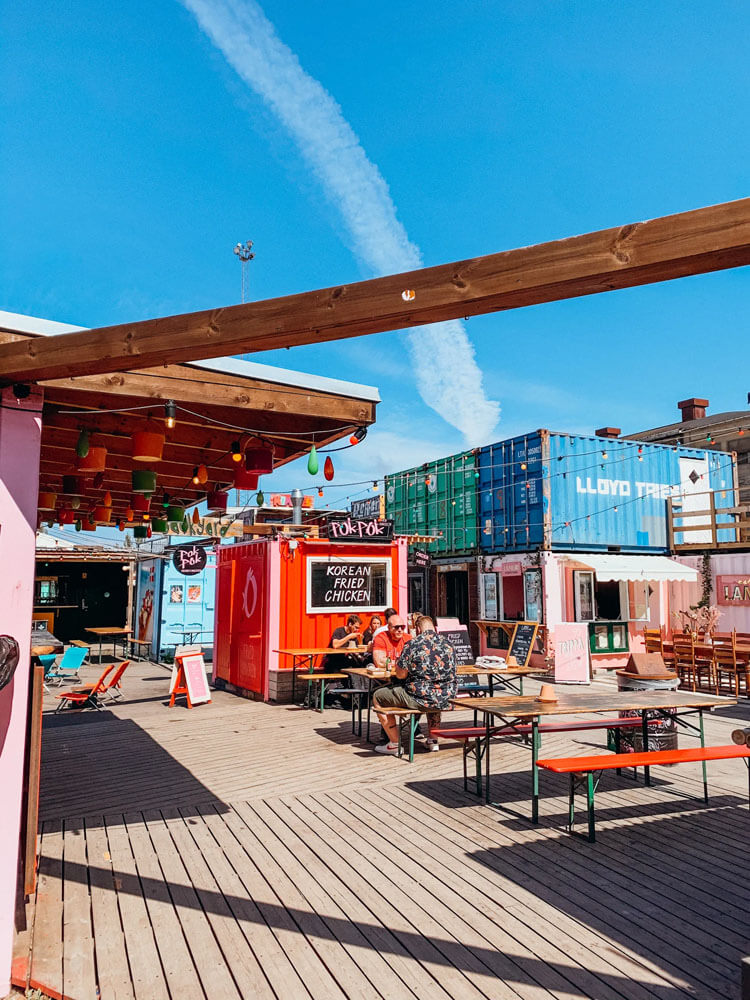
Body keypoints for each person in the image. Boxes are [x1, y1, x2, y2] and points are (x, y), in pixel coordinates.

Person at [373, 615, 457, 755]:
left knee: (378, 696)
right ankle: (433, 740)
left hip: (419, 698)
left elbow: (400, 675)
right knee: (435, 695)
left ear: (417, 629)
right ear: (434, 628)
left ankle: (394, 744)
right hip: (447, 697)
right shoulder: (449, 644)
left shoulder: (413, 644)